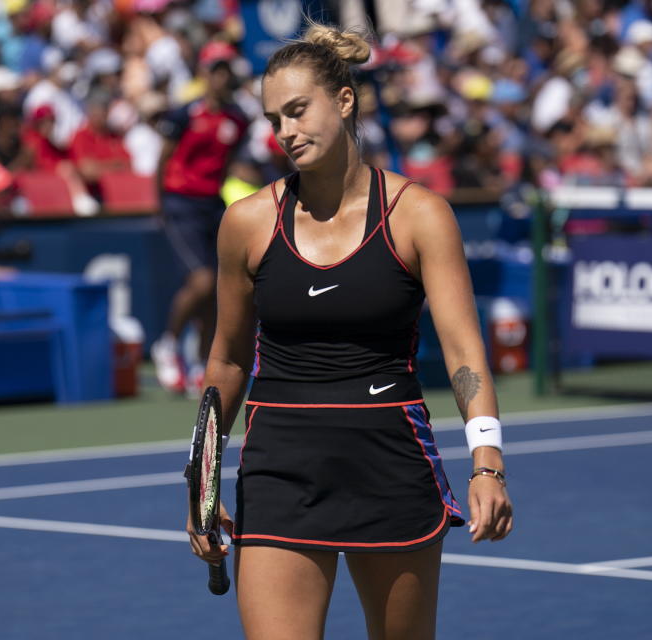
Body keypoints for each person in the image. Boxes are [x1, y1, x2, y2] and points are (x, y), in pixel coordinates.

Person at [185, 23, 513, 640]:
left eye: (298, 111)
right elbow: (226, 363)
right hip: (280, 470)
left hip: (388, 467)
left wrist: (487, 462)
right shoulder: (246, 223)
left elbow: (465, 353)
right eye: (274, 117)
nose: (285, 131)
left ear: (344, 100)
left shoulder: (421, 215)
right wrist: (202, 477)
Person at [151, 40, 248, 395]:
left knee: (218, 292)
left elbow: (227, 160)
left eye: (225, 70)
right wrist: (160, 203)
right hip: (180, 204)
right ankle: (167, 343)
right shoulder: (184, 114)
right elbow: (163, 159)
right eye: (214, 69)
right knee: (203, 282)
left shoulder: (238, 118)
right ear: (204, 74)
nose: (220, 77)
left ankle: (200, 361)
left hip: (212, 204)